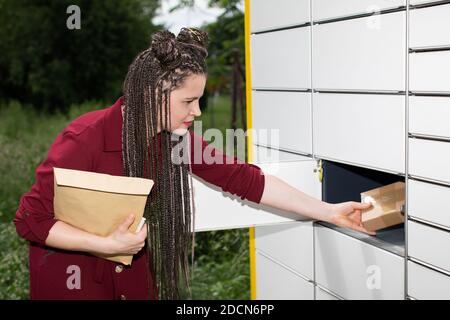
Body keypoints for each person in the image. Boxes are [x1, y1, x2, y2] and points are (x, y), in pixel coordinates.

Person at [13, 27, 374, 300]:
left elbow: (244, 179)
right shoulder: (85, 138)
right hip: (72, 281)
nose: (197, 112)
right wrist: (106, 245)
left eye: (199, 100)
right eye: (189, 101)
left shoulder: (176, 141)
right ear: (151, 94)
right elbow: (31, 220)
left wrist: (328, 212)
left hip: (133, 279)